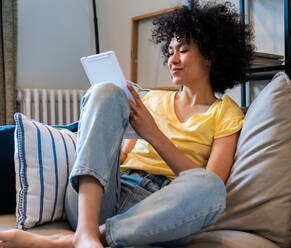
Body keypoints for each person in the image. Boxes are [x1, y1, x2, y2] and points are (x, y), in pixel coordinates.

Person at [0, 1, 253, 247]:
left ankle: (79, 240)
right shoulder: (151, 99)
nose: (172, 59)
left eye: (183, 50)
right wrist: (110, 122)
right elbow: (120, 156)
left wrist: (153, 134)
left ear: (210, 56)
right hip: (104, 195)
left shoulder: (226, 113)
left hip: (159, 209)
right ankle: (86, 232)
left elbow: (210, 181)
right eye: (169, 51)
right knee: (107, 91)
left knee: (212, 189)